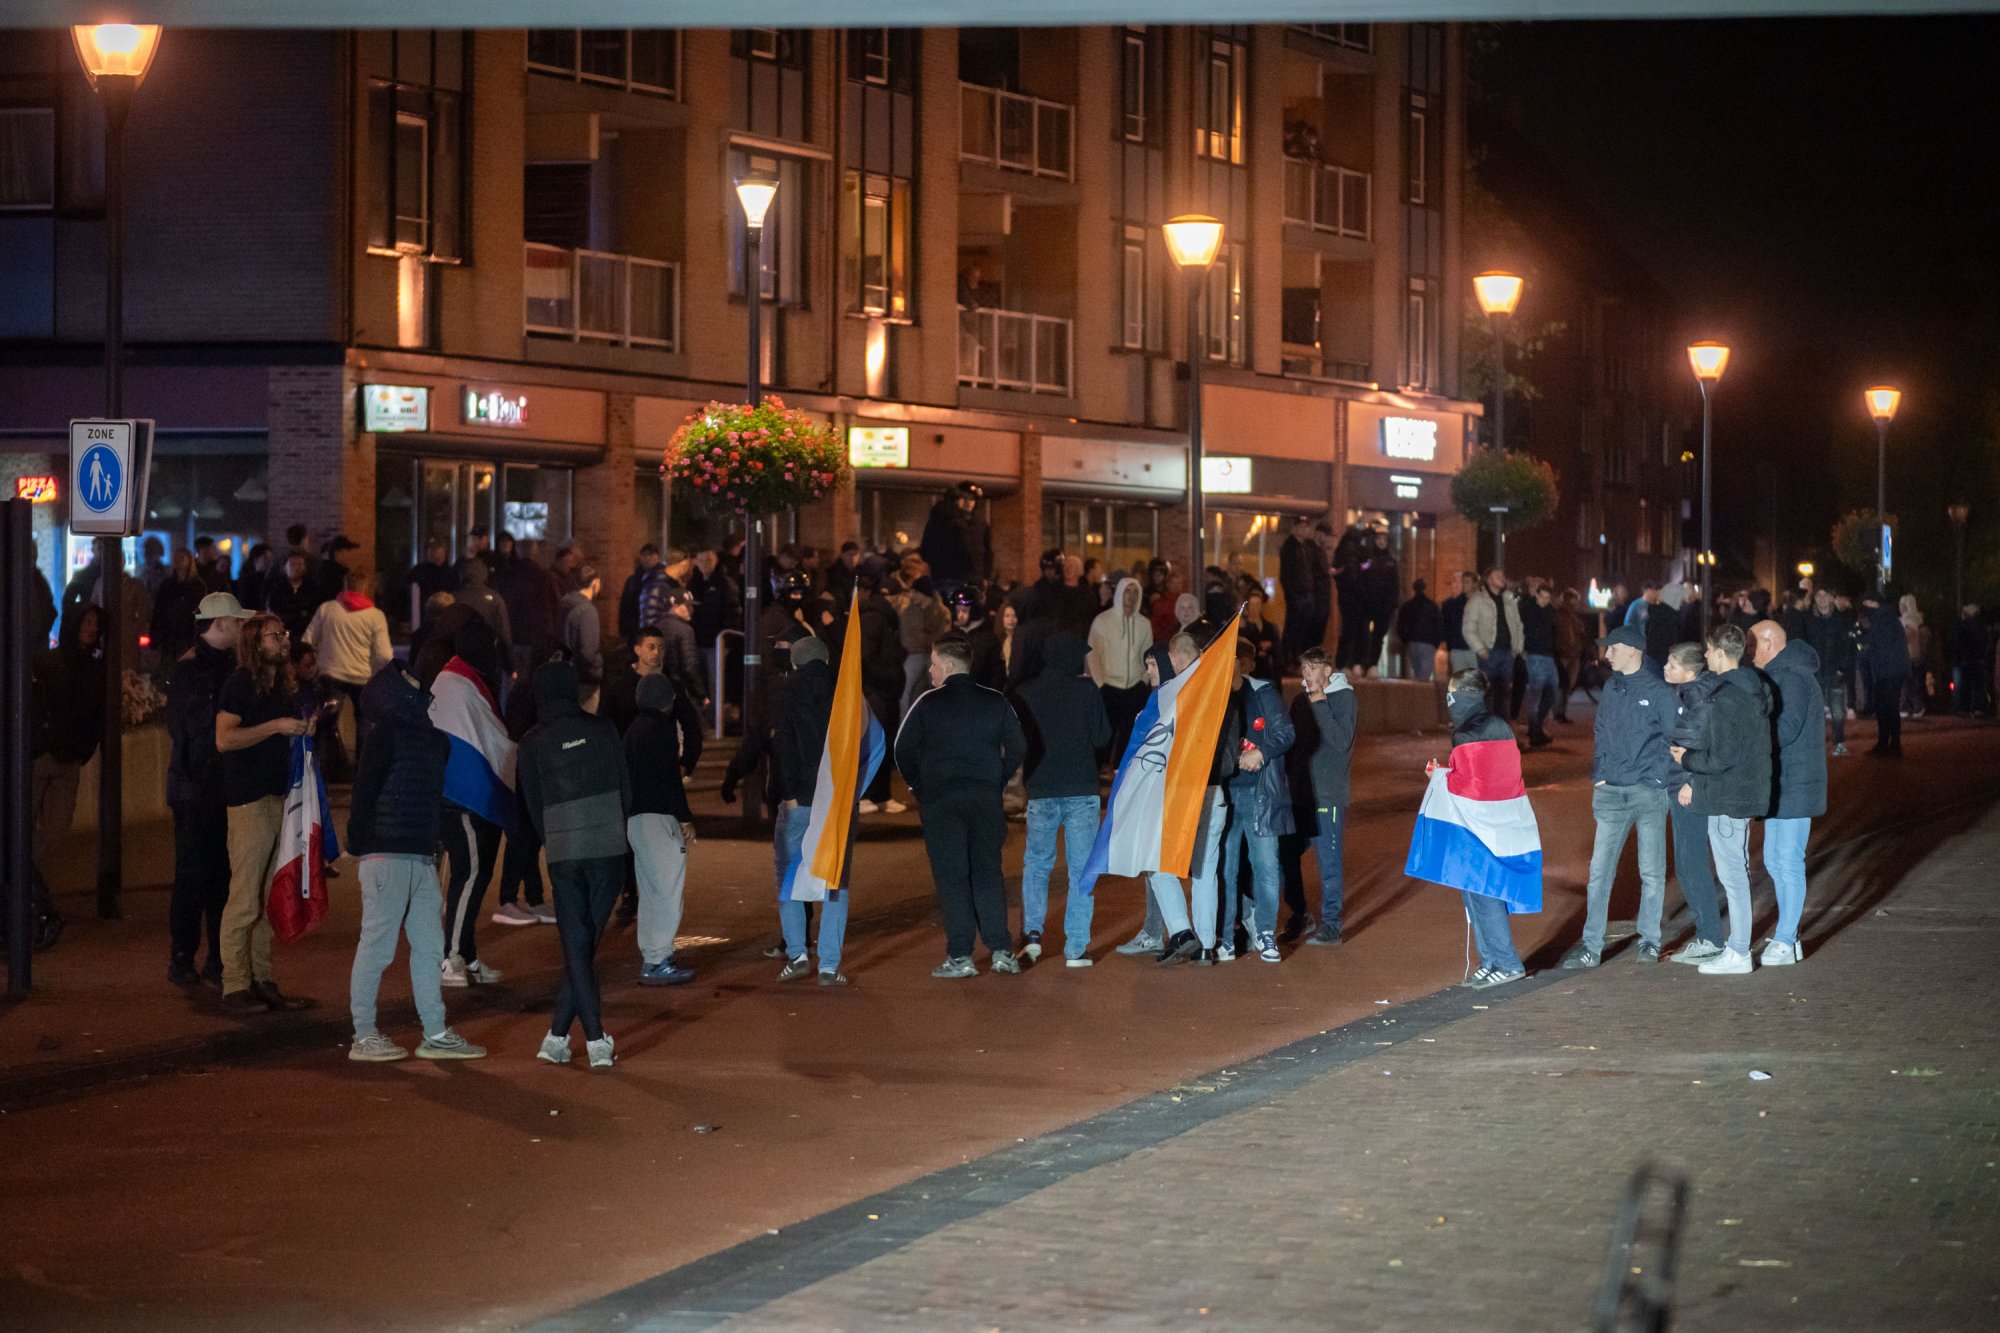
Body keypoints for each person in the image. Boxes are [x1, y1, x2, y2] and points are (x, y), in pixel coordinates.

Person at [345, 661, 486, 1061]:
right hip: (390, 853)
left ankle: (435, 1031)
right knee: (378, 947)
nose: (417, 682)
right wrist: (358, 842)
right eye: (405, 677)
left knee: (428, 947)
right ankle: (364, 1034)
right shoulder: (390, 735)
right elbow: (364, 794)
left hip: (419, 855)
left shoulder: (427, 739)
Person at [519, 658, 631, 1069]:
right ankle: (593, 1040)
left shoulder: (532, 741)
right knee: (585, 943)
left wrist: (554, 838)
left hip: (564, 847)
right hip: (608, 844)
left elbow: (532, 802)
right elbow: (624, 785)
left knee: (576, 944)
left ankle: (559, 1037)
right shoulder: (603, 729)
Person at [895, 636, 1026, 978]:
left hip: (941, 801)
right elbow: (1018, 745)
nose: (931, 670)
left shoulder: (927, 703)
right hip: (984, 798)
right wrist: (997, 778)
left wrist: (918, 786)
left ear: (949, 667)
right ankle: (1000, 950)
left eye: (935, 663)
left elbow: (902, 749)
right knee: (987, 873)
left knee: (952, 877)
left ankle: (960, 955)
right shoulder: (995, 701)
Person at [213, 612, 317, 1012]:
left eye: (284, 633)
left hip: (279, 798)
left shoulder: (281, 685)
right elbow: (224, 739)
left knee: (268, 897)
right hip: (249, 801)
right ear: (256, 643)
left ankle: (262, 978)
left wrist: (300, 729)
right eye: (276, 635)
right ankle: (234, 983)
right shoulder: (239, 684)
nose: (285, 640)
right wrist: (276, 726)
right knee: (244, 898)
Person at [1560, 625, 1676, 969]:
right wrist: (1600, 775)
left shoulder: (1659, 691)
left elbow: (1673, 739)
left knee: (1651, 872)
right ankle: (1591, 947)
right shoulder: (1611, 686)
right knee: (1599, 873)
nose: (1606, 653)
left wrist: (1655, 779)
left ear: (1632, 650)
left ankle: (1650, 941)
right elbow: (1600, 732)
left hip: (1647, 793)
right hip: (1610, 792)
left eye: (1612, 648)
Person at [1669, 626, 1774, 976]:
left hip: (1729, 794)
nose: (1706, 656)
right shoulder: (1751, 688)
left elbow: (1722, 756)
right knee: (1734, 874)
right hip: (1735, 792)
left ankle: (1739, 950)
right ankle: (1737, 947)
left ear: (1719, 652)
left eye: (1709, 650)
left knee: (1733, 877)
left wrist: (1687, 760)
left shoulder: (1728, 696)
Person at [165, 593, 257, 984]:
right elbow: (196, 732)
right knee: (198, 874)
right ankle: (188, 958)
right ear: (219, 625)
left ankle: (210, 958)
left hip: (205, 785)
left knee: (216, 874)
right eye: (236, 623)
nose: (241, 629)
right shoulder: (195, 671)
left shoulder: (212, 667)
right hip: (198, 787)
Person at [1014, 631, 1109, 967]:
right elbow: (1102, 736)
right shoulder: (1086, 691)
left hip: (1041, 789)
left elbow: (1016, 742)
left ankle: (1033, 935)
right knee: (1081, 870)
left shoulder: (1024, 693)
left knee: (1037, 864)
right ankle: (1076, 947)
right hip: (1081, 788)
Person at [1144, 633, 1233, 966]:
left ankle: (1181, 931)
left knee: (1157, 864)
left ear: (1172, 657)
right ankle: (1208, 945)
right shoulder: (1220, 690)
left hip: (1183, 793)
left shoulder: (1170, 695)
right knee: (1205, 870)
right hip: (1215, 790)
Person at [26, 601, 106, 951]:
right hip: (41, 756)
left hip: (68, 760)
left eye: (94, 622)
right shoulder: (47, 662)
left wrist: (83, 748)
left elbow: (96, 714)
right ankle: (29, 893)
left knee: (55, 830)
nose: (90, 627)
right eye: (85, 621)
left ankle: (22, 879)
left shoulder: (94, 668)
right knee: (23, 828)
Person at [1440, 668, 1528, 987]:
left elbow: (1472, 784)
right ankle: (1490, 959)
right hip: (1499, 818)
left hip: (1480, 823)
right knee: (1475, 892)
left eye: (1451, 695)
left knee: (1483, 892)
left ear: (1464, 696)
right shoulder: (1497, 725)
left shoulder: (1468, 732)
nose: (1448, 702)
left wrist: (1441, 778)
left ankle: (1505, 961)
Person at [1750, 618, 1827, 966]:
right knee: (1774, 860)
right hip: (1785, 782)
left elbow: (1788, 728)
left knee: (1787, 860)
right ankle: (1788, 936)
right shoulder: (1783, 675)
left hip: (1796, 783)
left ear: (1769, 643)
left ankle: (1786, 937)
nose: (1749, 651)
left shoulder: (1792, 677)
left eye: (1753, 643)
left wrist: (1749, 741)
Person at [1215, 638, 1295, 963]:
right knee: (1226, 868)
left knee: (1265, 866)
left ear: (1242, 662)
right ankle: (1225, 938)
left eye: (1233, 658)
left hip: (1260, 793)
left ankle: (1265, 932)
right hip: (1225, 795)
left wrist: (1261, 753)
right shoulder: (1214, 694)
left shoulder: (1262, 692)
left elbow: (1286, 733)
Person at [625, 672, 703, 986]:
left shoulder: (632, 731)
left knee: (651, 892)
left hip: (636, 819)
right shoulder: (661, 729)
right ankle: (658, 959)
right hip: (659, 818)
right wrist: (684, 817)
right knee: (668, 891)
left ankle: (652, 955)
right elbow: (670, 778)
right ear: (667, 700)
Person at [1659, 642, 1728, 966]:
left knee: (1691, 864)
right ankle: (1707, 935)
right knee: (1689, 863)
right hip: (1681, 784)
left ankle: (1710, 938)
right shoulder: (1688, 693)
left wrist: (1690, 781)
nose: (1666, 668)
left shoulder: (1694, 696)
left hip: (1687, 789)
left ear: (1689, 670)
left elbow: (1698, 742)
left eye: (1672, 665)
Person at [1282, 647, 1355, 947]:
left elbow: (1341, 741)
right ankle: (1300, 913)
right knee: (1285, 854)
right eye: (1304, 669)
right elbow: (1291, 742)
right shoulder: (1300, 700)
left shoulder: (1344, 698)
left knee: (1328, 861)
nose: (1306, 675)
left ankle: (1331, 924)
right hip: (1300, 793)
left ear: (1327, 670)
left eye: (1312, 668)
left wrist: (1320, 702)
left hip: (1327, 795)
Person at [304, 569, 393, 771]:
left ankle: (327, 766)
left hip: (329, 673)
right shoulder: (375, 615)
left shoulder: (327, 609)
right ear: (366, 589)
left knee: (327, 721)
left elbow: (308, 640)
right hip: (362, 676)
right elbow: (384, 655)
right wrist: (379, 673)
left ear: (344, 586)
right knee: (363, 721)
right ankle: (362, 768)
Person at [854, 569, 907, 813]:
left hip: (884, 690)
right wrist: (887, 677)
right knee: (872, 744)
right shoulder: (875, 618)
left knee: (882, 743)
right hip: (876, 691)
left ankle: (881, 794)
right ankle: (865, 795)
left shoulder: (881, 618)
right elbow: (864, 657)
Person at [1088, 576, 1151, 768]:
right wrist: (1100, 683)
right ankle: (1099, 770)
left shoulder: (1144, 624)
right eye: (1127, 591)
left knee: (1130, 731)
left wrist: (1144, 679)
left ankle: (1121, 769)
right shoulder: (1102, 620)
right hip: (1108, 686)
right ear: (1119, 593)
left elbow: (1148, 654)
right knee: (1105, 731)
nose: (1131, 596)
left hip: (1135, 686)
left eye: (1135, 592)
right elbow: (1092, 653)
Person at [1461, 567, 1523, 721]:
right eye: (1498, 575)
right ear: (1488, 579)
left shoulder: (1508, 601)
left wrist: (1517, 648)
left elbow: (1518, 625)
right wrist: (1480, 649)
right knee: (1488, 696)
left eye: (1503, 575)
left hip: (1507, 653)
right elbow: (1468, 628)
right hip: (1489, 653)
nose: (1502, 578)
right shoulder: (1477, 600)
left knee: (1504, 697)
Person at [1803, 587, 1856, 756]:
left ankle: (1839, 742)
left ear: (1832, 598)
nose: (1822, 599)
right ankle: (1815, 744)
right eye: (1818, 595)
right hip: (1815, 672)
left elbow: (1848, 645)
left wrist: (1842, 667)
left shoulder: (1841, 619)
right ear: (1814, 598)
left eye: (1825, 595)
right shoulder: (1808, 619)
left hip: (1834, 671)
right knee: (1814, 710)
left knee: (1838, 711)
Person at [918, 481, 992, 595]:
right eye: (965, 499)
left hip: (973, 579)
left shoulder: (980, 524)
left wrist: (985, 576)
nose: (969, 503)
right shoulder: (944, 520)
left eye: (972, 499)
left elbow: (987, 551)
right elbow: (927, 549)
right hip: (948, 577)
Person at [1859, 592, 1910, 756]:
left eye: (1868, 602)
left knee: (1886, 708)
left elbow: (1882, 646)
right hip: (1891, 670)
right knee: (1887, 708)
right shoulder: (1886, 617)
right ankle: (1889, 744)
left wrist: (1867, 649)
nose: (1866, 606)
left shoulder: (1883, 619)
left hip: (1888, 671)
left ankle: (1889, 745)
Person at [899, 573, 952, 719]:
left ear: (924, 594)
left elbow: (940, 636)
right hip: (914, 654)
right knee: (907, 691)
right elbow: (908, 636)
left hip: (933, 654)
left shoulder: (940, 612)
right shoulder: (911, 611)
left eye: (916, 591)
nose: (912, 594)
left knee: (934, 689)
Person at [1278, 515, 1324, 672]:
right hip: (1297, 596)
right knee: (1293, 629)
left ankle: (1299, 660)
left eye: (1307, 526)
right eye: (1302, 526)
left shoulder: (1307, 548)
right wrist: (1292, 594)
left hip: (1308, 595)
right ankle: (1288, 661)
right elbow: (1286, 575)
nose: (1305, 530)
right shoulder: (1289, 548)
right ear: (1295, 528)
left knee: (1305, 630)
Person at [150, 550, 208, 669]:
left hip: (187, 635)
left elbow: (201, 612)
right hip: (169, 636)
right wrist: (156, 635)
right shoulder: (167, 585)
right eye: (176, 557)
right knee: (168, 669)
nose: (178, 560)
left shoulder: (197, 586)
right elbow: (159, 611)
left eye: (181, 557)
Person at [1519, 583, 1560, 747]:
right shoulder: (1528, 610)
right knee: (1536, 695)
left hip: (1548, 655)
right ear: (1536, 595)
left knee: (1551, 693)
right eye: (1542, 597)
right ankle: (1535, 732)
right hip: (1535, 655)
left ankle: (1536, 726)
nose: (1545, 601)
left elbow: (1553, 631)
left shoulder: (1550, 610)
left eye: (1548, 598)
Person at [559, 566, 605, 707]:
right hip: (585, 678)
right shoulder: (587, 611)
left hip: (566, 673)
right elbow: (588, 652)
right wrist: (597, 671)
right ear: (595, 582)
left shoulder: (565, 604)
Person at [452, 557, 512, 648]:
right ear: (484, 573)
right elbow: (503, 631)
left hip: (460, 650)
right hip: (487, 649)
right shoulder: (495, 598)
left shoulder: (454, 598)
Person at [1395, 579, 1442, 682]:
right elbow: (1438, 625)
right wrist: (1437, 642)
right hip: (1428, 642)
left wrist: (1405, 639)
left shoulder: (1407, 606)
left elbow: (1400, 625)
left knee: (1416, 671)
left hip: (1412, 641)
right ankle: (1421, 695)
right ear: (1424, 588)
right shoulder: (1432, 606)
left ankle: (1417, 693)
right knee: (1424, 674)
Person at [619, 543, 663, 643]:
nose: (644, 559)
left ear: (655, 556)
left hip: (654, 630)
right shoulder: (634, 580)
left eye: (647, 555)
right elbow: (625, 605)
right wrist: (624, 628)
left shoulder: (663, 578)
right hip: (636, 630)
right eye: (643, 555)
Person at [1953, 602, 1989, 715]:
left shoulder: (1964, 625)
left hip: (1966, 659)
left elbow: (1959, 642)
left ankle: (1964, 708)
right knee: (1979, 685)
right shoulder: (1982, 625)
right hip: (1979, 659)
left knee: (1966, 685)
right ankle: (1980, 708)